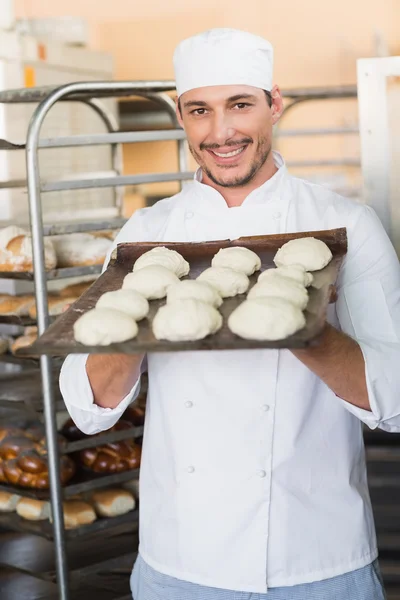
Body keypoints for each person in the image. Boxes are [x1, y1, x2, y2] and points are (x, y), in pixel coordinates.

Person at [60, 28, 400, 599]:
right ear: (181, 116)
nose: (221, 132)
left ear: (275, 104)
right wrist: (139, 314)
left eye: (240, 105)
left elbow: (397, 401)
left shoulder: (349, 225)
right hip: (180, 563)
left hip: (318, 559)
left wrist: (306, 327)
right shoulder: (149, 236)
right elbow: (86, 408)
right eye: (200, 111)